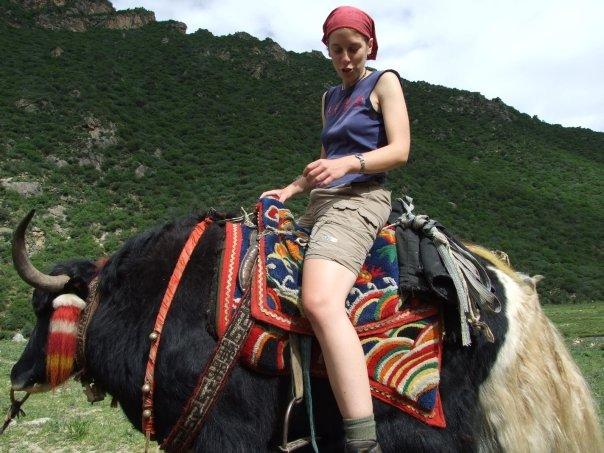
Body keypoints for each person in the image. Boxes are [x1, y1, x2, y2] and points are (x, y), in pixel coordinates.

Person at [260, 6, 410, 452]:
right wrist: (289, 189)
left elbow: (400, 150)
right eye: (336, 49)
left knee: (320, 300)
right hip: (321, 201)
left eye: (354, 48)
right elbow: (325, 163)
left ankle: (364, 442)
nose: (345, 58)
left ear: (370, 46)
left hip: (361, 198)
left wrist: (350, 164)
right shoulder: (329, 98)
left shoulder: (384, 82)